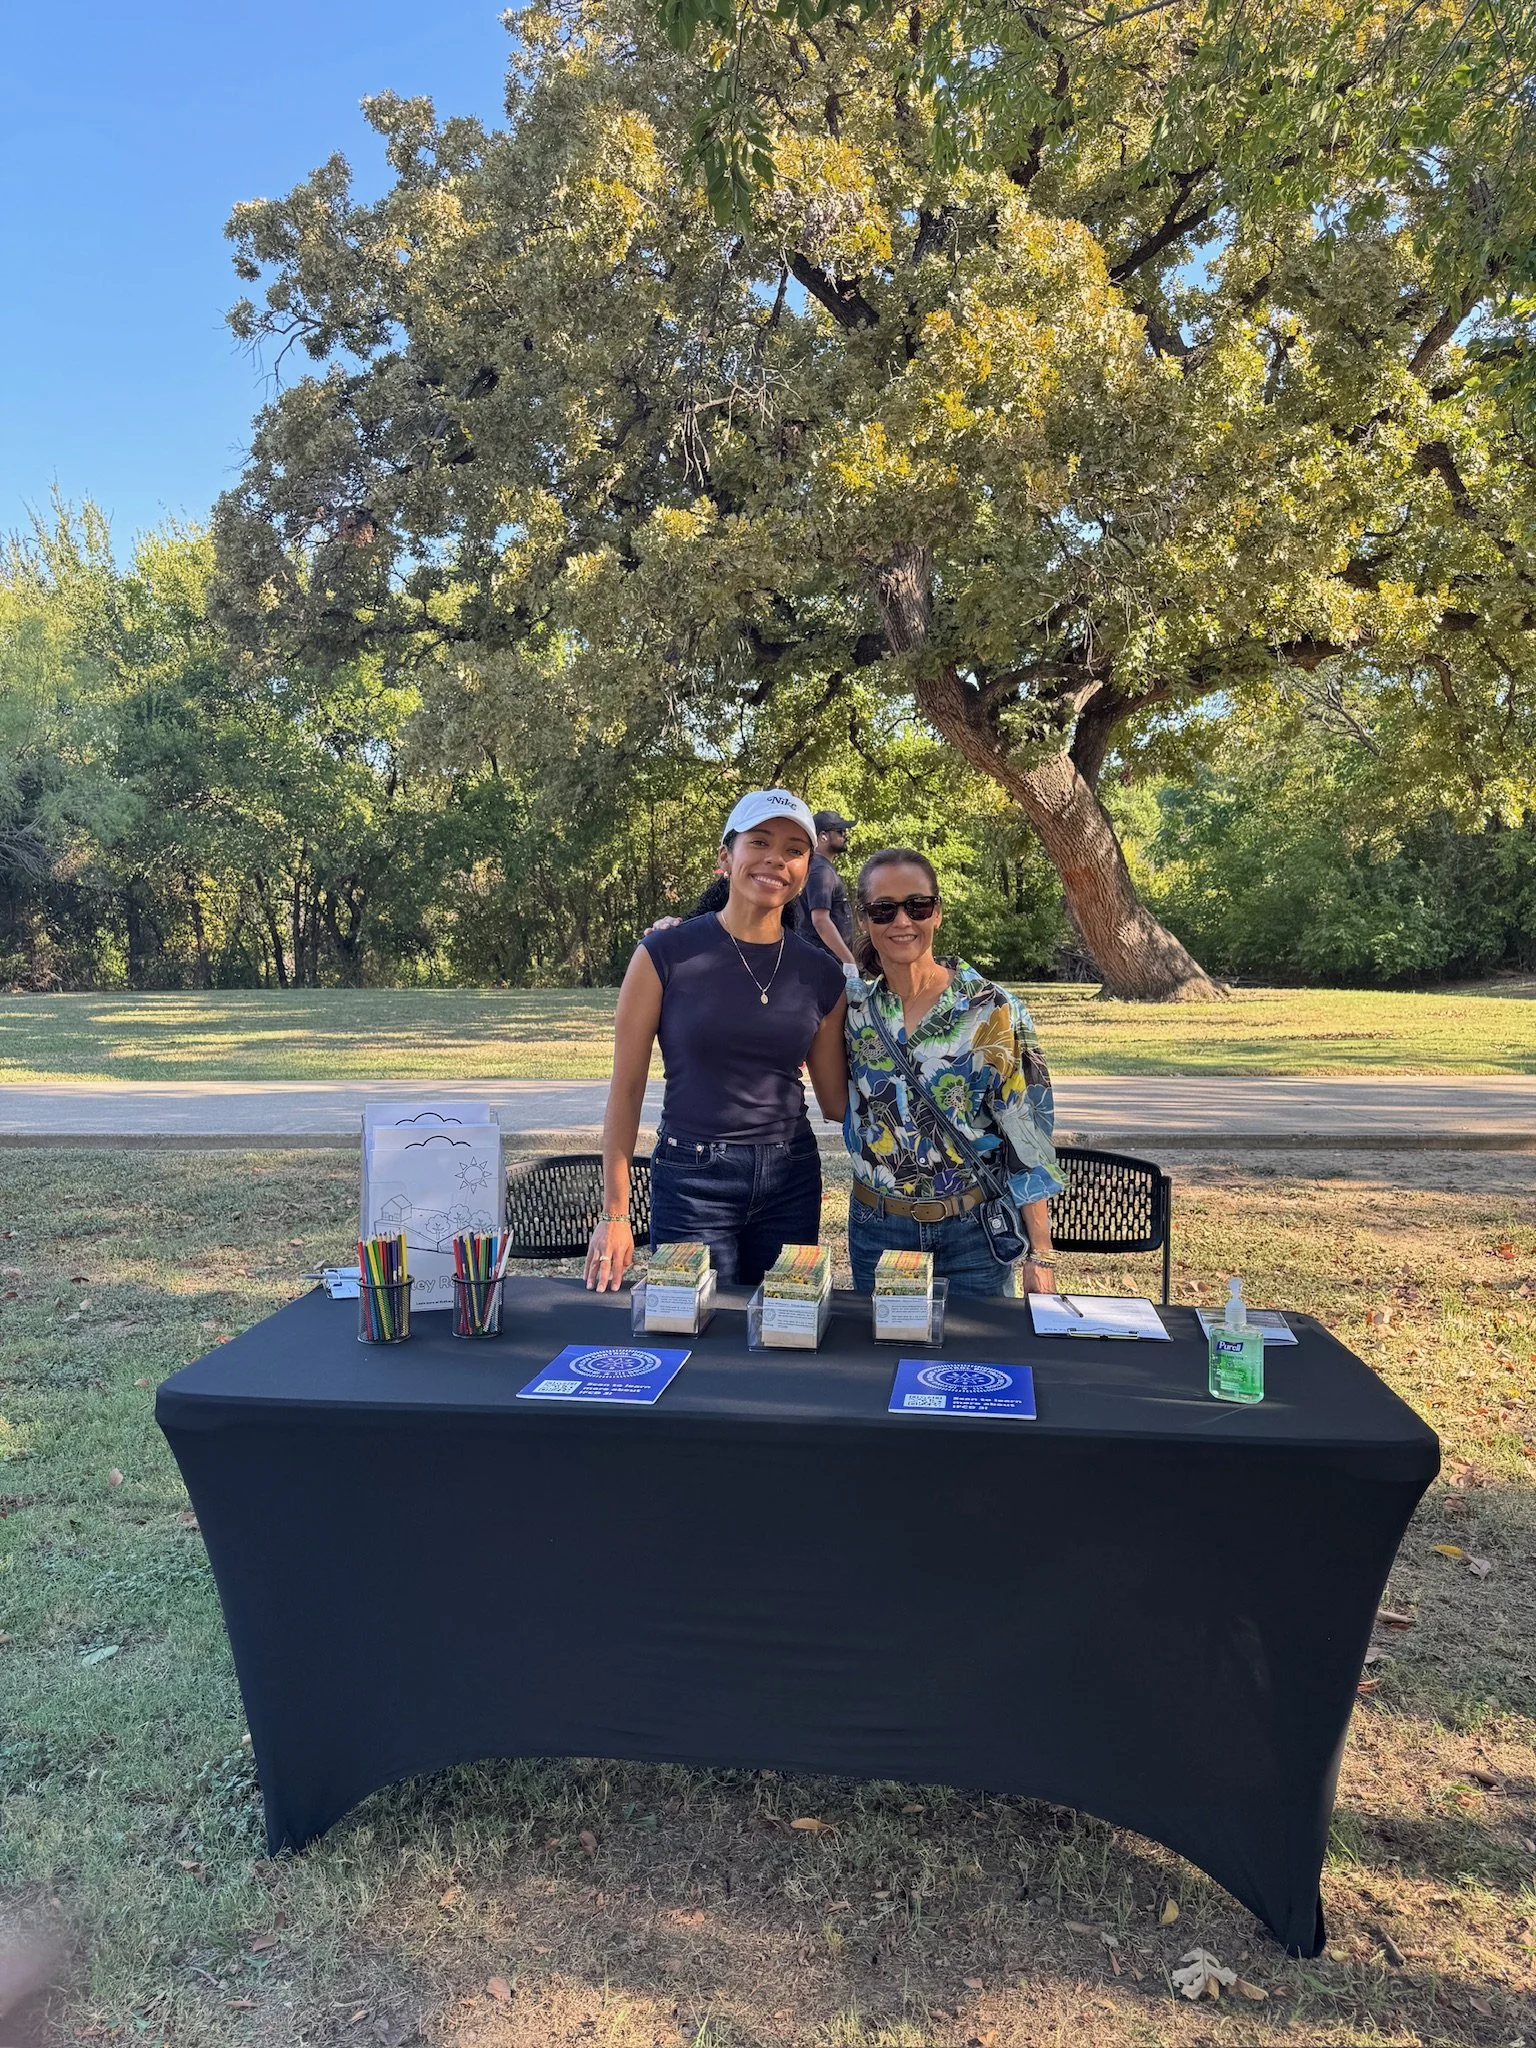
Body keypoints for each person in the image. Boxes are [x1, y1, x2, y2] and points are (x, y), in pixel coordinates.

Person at [585, 791, 849, 1291]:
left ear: (806, 868)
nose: (777, 858)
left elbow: (837, 1103)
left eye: (794, 849)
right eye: (760, 841)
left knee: (785, 1331)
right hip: (691, 1180)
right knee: (691, 1330)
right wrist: (615, 1214)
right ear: (725, 857)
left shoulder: (820, 974)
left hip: (790, 1178)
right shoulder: (665, 953)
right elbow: (625, 1090)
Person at [843, 847, 1064, 1297]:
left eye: (917, 906)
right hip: (879, 1232)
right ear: (865, 920)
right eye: (884, 910)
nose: (902, 921)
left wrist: (1040, 1251)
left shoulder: (992, 1010)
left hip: (973, 1233)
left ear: (937, 913)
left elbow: (1027, 1131)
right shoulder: (851, 1010)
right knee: (883, 1363)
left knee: (977, 1366)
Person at [803, 810, 856, 965]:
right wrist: (848, 960)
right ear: (823, 837)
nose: (845, 835)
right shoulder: (821, 871)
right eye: (840, 831)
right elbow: (820, 920)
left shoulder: (817, 867)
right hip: (823, 961)